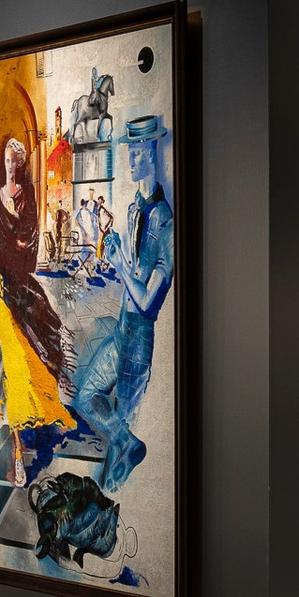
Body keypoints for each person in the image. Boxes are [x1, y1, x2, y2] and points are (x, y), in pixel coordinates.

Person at [71, 114, 173, 493]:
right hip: (121, 328)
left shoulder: (164, 222)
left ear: (152, 152)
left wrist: (119, 265)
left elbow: (147, 302)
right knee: (86, 397)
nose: (130, 158)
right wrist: (114, 249)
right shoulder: (134, 209)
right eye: (129, 150)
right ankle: (127, 445)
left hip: (138, 337)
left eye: (138, 151)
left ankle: (120, 469)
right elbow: (132, 273)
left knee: (117, 448)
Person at [0, 137, 72, 484]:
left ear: (22, 164)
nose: (11, 166)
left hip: (25, 287)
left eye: (16, 161)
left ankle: (43, 420)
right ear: (3, 162)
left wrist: (17, 254)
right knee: (16, 369)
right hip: (4, 293)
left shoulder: (27, 196)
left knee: (45, 351)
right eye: (8, 160)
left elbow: (29, 242)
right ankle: (17, 451)